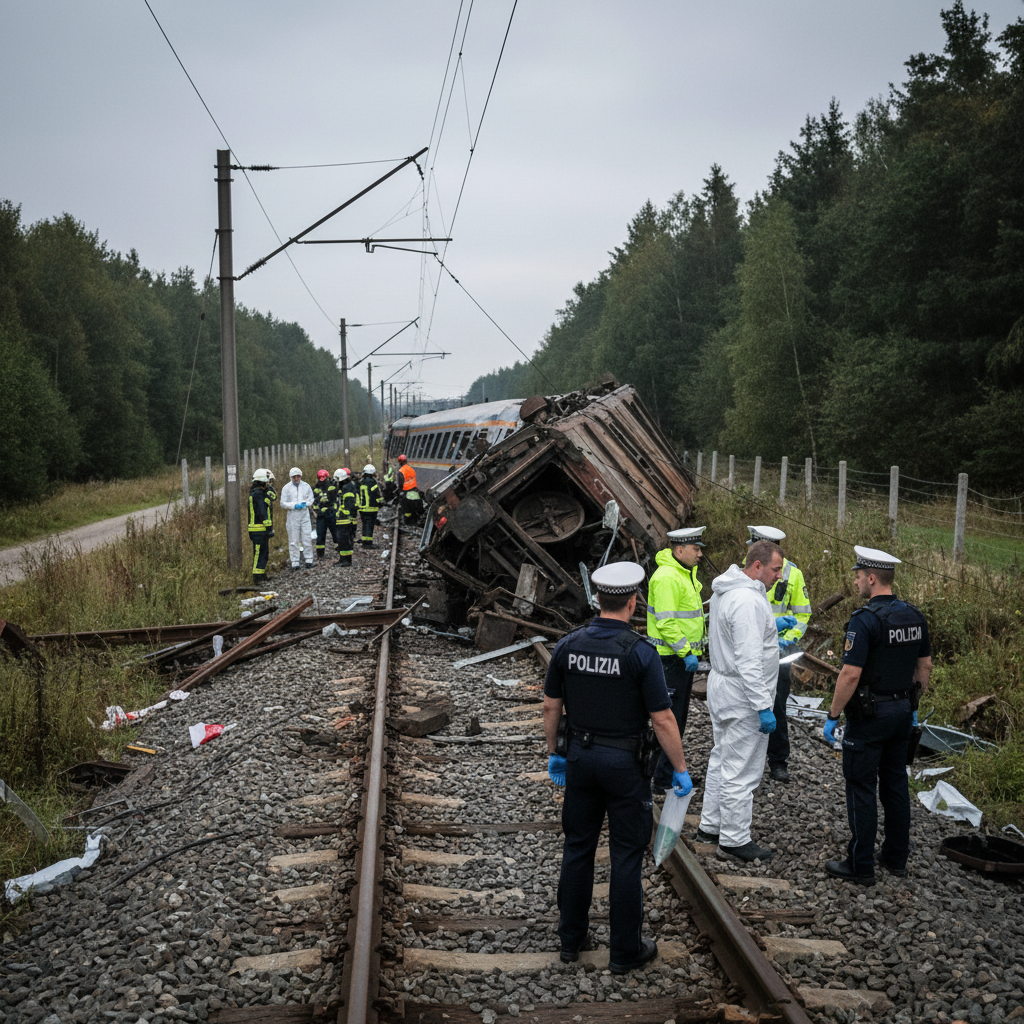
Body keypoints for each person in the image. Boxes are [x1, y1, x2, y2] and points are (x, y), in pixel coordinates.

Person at [543, 561, 691, 975]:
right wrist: (679, 768)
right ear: (632, 602)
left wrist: (555, 751)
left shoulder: (568, 646)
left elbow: (551, 706)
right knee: (626, 855)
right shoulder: (641, 653)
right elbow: (662, 718)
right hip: (625, 766)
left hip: (580, 759)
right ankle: (625, 950)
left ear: (597, 599)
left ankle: (571, 940)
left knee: (578, 847)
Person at [823, 546, 931, 886]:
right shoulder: (914, 616)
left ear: (872, 578)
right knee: (896, 784)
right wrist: (912, 703)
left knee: (861, 786)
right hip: (902, 713)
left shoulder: (865, 620)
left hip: (869, 718)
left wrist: (833, 714)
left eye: (858, 577)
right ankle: (896, 857)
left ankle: (861, 865)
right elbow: (925, 666)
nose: (855, 583)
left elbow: (850, 674)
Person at [698, 539, 784, 863]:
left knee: (722, 757)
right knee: (742, 769)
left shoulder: (726, 590)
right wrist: (763, 706)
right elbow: (749, 661)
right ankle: (734, 839)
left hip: (722, 685)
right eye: (775, 569)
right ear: (757, 566)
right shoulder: (747, 601)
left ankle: (710, 825)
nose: (779, 576)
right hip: (743, 694)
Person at [746, 526, 812, 783]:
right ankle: (748, 760)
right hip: (751, 649)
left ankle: (777, 761)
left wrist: (788, 639)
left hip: (779, 652)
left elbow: (802, 614)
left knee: (777, 706)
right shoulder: (745, 571)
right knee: (746, 706)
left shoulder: (793, 574)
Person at [647, 526, 707, 791]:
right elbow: (666, 622)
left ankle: (666, 772)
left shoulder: (684, 574)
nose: (700, 554)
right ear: (679, 550)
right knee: (669, 721)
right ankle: (660, 778)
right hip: (670, 659)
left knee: (676, 719)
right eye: (696, 549)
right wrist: (686, 652)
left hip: (679, 659)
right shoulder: (668, 577)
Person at [280, 467, 315, 570]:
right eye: (294, 477)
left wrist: (306, 504)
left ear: (301, 476)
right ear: (291, 477)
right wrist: (294, 505)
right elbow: (283, 503)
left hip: (304, 514)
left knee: (307, 537)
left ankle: (309, 560)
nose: (296, 478)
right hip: (293, 515)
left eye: (298, 476)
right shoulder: (286, 488)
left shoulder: (306, 486)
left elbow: (311, 499)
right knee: (293, 539)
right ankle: (295, 562)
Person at [247, 468, 274, 583]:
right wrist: (269, 526)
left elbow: (273, 497)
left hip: (261, 529)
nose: (268, 483)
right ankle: (257, 577)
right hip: (258, 529)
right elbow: (262, 512)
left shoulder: (258, 493)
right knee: (259, 553)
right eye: (267, 481)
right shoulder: (258, 494)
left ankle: (261, 574)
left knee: (264, 552)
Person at [333, 468, 358, 566]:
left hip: (345, 520)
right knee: (344, 540)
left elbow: (349, 504)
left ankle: (345, 561)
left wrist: (342, 513)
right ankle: (343, 559)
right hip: (345, 519)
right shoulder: (348, 486)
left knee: (344, 540)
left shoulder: (346, 488)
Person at [357, 464, 383, 548]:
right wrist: (380, 502)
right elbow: (376, 494)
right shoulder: (373, 482)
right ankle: (367, 543)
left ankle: (365, 540)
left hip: (362, 508)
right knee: (369, 525)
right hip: (371, 507)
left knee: (365, 524)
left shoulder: (360, 482)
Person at [312, 469, 335, 561]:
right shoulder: (316, 488)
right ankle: (320, 553)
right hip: (321, 515)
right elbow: (314, 502)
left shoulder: (332, 486)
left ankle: (338, 548)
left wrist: (332, 510)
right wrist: (318, 511)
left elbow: (334, 499)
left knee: (335, 532)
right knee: (320, 534)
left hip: (331, 513)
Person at [397, 454, 422, 525]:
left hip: (406, 494)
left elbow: (400, 484)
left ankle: (407, 523)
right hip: (415, 493)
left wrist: (400, 492)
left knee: (407, 511)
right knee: (414, 510)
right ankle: (415, 522)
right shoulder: (412, 469)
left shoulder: (401, 471)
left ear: (400, 462)